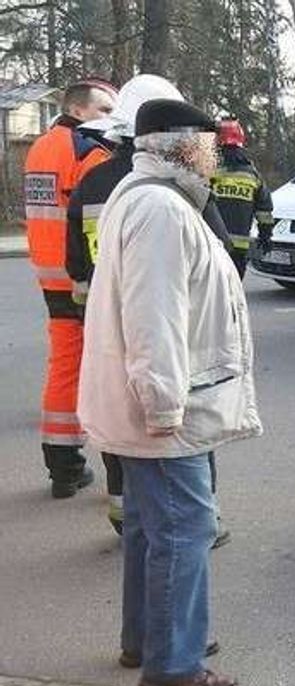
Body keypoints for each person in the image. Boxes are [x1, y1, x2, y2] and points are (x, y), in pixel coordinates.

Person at [78, 99, 262, 686]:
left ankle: (150, 639)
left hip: (153, 407)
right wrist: (163, 407)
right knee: (186, 528)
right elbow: (154, 319)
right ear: (180, 146)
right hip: (164, 412)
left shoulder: (153, 199)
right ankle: (174, 662)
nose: (213, 156)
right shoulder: (160, 209)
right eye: (206, 145)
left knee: (152, 528)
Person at [67, 75, 233, 546]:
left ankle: (130, 519)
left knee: (126, 445)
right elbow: (217, 250)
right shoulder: (169, 195)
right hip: (163, 346)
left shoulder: (96, 183)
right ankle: (191, 524)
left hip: (105, 331)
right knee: (180, 452)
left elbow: (74, 263)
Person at [23, 78, 117, 498]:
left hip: (48, 275)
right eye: (105, 110)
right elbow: (97, 223)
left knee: (63, 367)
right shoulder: (89, 151)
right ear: (79, 110)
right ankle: (121, 473)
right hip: (81, 279)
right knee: (107, 371)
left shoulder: (40, 147)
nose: (110, 120)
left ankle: (63, 467)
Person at [210, 117, 274, 278]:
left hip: (212, 244)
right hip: (239, 248)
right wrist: (265, 236)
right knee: (233, 293)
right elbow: (264, 211)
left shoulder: (209, 171)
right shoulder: (252, 175)